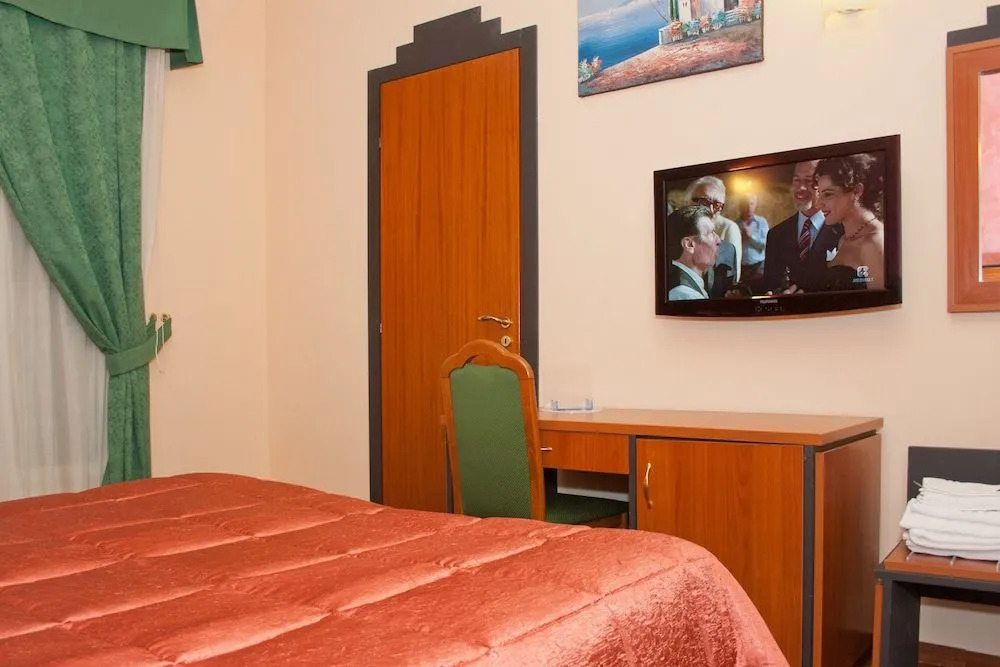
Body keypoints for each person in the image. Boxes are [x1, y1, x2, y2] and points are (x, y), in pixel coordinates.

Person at [761, 160, 843, 293]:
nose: (801, 188)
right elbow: (770, 284)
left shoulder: (842, 231)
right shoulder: (776, 234)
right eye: (797, 180)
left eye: (808, 181)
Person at [814, 154, 885, 290]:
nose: (818, 204)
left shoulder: (874, 242)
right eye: (819, 195)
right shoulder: (843, 239)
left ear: (857, 191)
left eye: (827, 194)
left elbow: (884, 302)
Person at [685, 176, 742, 285]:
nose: (710, 211)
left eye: (717, 205)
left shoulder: (729, 228)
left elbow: (732, 279)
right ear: (687, 202)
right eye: (704, 202)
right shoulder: (674, 231)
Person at [665, 204, 720, 300]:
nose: (718, 240)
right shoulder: (684, 294)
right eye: (710, 233)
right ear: (689, 244)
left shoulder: (685, 285)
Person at [737, 192, 769, 281]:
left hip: (759, 267)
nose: (749, 207)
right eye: (745, 204)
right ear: (740, 206)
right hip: (741, 268)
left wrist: (751, 237)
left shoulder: (762, 222)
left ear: (755, 205)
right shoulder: (735, 225)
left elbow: (766, 245)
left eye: (751, 204)